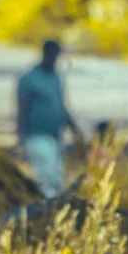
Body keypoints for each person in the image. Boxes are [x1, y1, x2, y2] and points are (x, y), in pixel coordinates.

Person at [14, 41, 82, 198]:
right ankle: (47, 207)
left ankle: (57, 208)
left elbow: (60, 104)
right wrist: (20, 137)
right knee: (47, 175)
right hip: (36, 134)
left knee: (58, 175)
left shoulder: (56, 77)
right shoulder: (29, 79)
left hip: (55, 135)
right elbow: (22, 109)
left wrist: (74, 128)